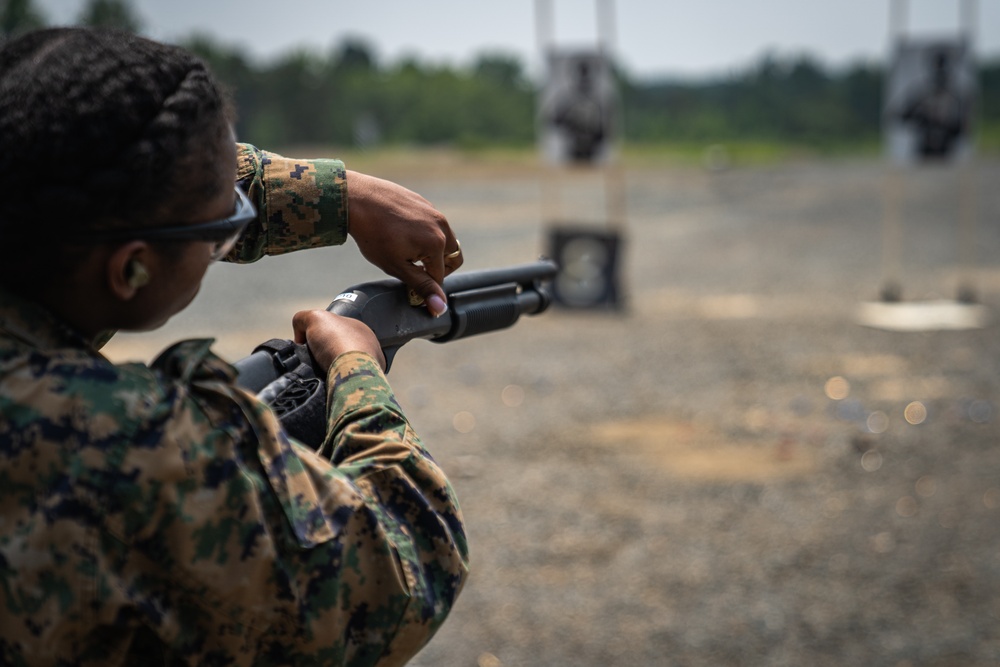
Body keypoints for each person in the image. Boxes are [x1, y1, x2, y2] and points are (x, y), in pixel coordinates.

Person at [0, 26, 468, 666]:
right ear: (131, 270)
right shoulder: (118, 443)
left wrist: (340, 195)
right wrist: (358, 370)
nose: (231, 237)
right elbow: (407, 564)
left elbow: (106, 153)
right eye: (226, 229)